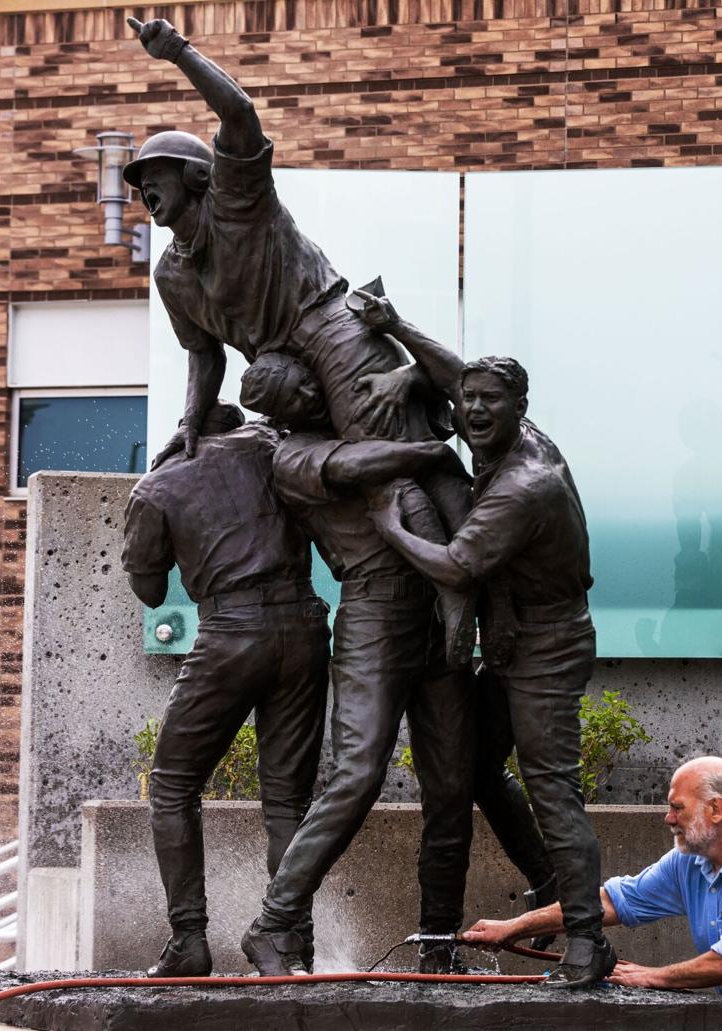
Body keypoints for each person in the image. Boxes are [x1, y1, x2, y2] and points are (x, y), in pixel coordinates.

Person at [122, 17, 475, 667]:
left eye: (156, 172)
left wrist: (178, 53)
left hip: (328, 321)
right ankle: (418, 576)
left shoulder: (239, 200)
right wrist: (191, 423)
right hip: (276, 366)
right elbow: (204, 354)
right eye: (139, 180)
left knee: (391, 440)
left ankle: (459, 585)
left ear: (195, 176)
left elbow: (239, 109)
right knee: (338, 473)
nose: (143, 187)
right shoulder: (171, 274)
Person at [357, 293, 613, 987]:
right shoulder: (495, 425)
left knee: (553, 788)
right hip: (515, 636)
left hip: (548, 646)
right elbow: (452, 374)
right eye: (467, 400)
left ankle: (587, 941)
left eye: (488, 402)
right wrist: (396, 325)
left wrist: (387, 524)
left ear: (519, 407)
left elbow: (455, 564)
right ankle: (545, 883)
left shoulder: (526, 482)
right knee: (472, 769)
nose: (472, 410)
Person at [232, 356, 476, 976]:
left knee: (452, 785)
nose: (313, 392)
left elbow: (456, 377)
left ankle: (437, 943)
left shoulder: (363, 409)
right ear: (279, 413)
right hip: (374, 613)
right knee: (358, 772)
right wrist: (430, 452)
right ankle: (273, 921)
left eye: (312, 380)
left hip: (434, 603)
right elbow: (363, 465)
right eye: (297, 392)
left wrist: (406, 375)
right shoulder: (292, 459)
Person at [121, 400, 331, 977]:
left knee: (171, 785)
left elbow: (149, 590)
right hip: (305, 624)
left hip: (232, 632)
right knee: (288, 800)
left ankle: (189, 941)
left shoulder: (160, 481)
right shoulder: (269, 446)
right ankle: (291, 947)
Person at [464, 757, 722, 1031]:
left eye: (677, 807)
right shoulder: (690, 859)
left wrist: (651, 977)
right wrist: (514, 926)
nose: (667, 818)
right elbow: (609, 902)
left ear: (717, 810)